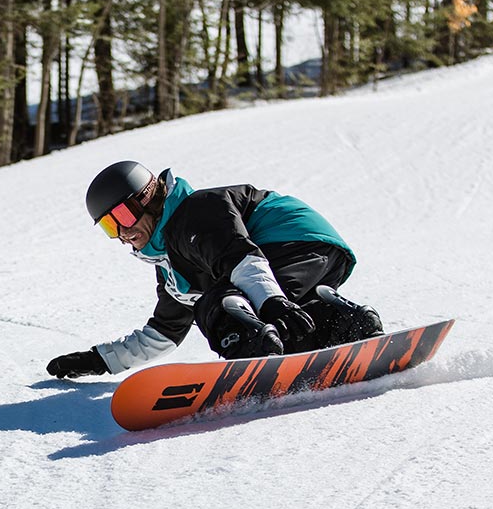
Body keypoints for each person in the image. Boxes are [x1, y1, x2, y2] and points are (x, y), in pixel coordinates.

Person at [46, 160, 383, 379]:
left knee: (221, 303)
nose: (121, 234)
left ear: (147, 199)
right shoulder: (174, 267)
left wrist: (270, 303)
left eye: (121, 218)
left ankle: (252, 355)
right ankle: (343, 325)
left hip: (289, 237)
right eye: (108, 227)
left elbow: (242, 259)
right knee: (275, 325)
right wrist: (98, 360)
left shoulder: (193, 213)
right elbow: (163, 333)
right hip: (313, 254)